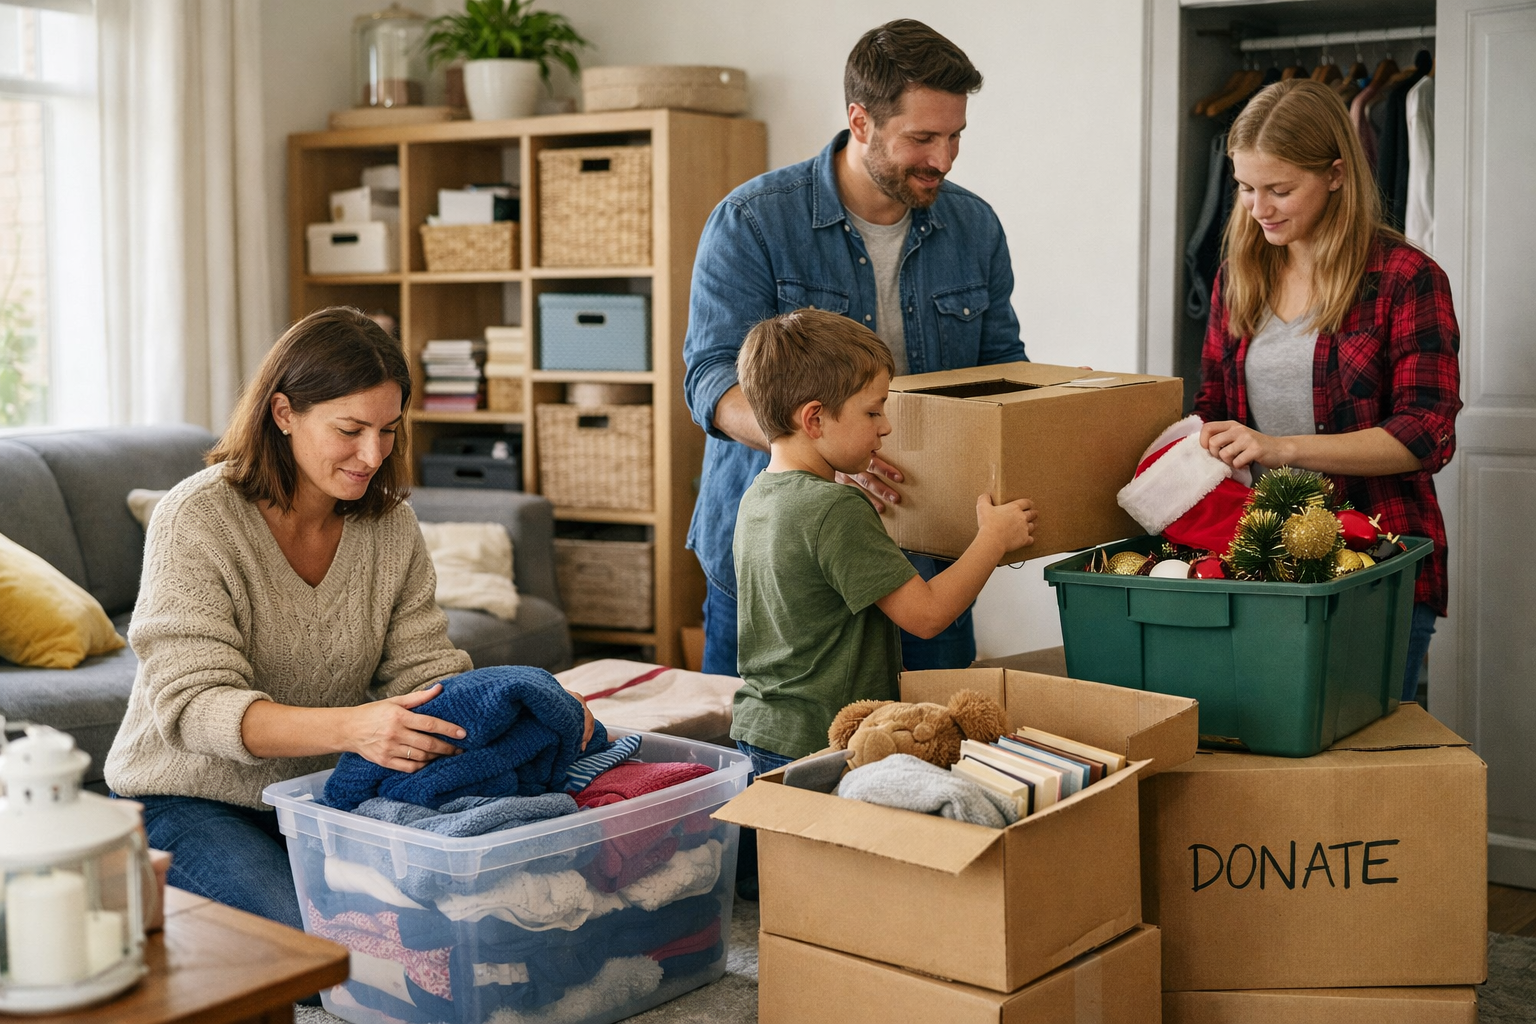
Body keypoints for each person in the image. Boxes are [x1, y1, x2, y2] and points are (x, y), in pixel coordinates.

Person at [104, 307, 592, 932]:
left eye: (388, 429)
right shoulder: (197, 519)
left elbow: (427, 675)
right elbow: (196, 708)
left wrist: (532, 705)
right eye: (350, 429)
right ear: (283, 414)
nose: (373, 453)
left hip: (321, 798)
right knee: (326, 943)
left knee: (469, 909)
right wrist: (356, 729)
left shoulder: (390, 526)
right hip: (186, 798)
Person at [684, 19, 1027, 678]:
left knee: (933, 755)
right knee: (770, 766)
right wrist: (822, 453)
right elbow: (711, 383)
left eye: (955, 136)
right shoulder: (752, 221)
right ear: (861, 121)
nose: (944, 159)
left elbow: (1002, 375)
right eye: (921, 139)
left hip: (926, 553)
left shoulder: (974, 226)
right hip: (778, 565)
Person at [1193, 79, 1462, 703]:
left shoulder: (1406, 279)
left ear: (1337, 174)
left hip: (1376, 562)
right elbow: (1214, 404)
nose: (1259, 208)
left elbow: (1425, 435)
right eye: (1245, 188)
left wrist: (1281, 448)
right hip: (1259, 561)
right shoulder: (1239, 275)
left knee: (1357, 774)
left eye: (1280, 189)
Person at [730, 309, 1036, 777]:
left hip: (761, 728)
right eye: (873, 411)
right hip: (821, 741)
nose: (886, 426)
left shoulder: (758, 496)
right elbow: (928, 616)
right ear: (814, 419)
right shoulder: (835, 509)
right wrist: (992, 540)